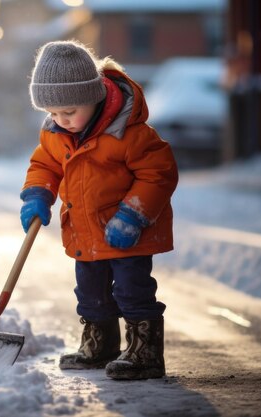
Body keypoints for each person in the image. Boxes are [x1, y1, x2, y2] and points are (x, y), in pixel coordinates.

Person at [20, 40, 178, 380]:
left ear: (93, 96)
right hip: (85, 232)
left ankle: (144, 352)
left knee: (131, 290)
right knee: (90, 292)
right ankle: (100, 345)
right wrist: (36, 194)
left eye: (70, 111)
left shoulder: (130, 133)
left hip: (127, 233)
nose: (62, 120)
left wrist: (134, 214)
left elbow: (159, 173)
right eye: (53, 114)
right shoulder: (55, 133)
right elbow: (44, 166)